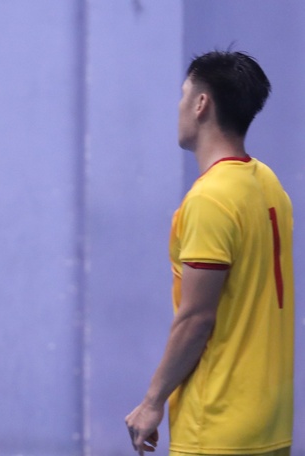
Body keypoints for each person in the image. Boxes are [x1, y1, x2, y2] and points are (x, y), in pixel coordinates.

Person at [125, 51, 294, 455]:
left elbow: (197, 319)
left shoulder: (209, 199)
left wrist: (152, 402)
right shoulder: (267, 183)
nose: (179, 107)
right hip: (270, 424)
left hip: (217, 426)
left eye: (184, 95)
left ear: (201, 104)